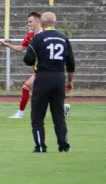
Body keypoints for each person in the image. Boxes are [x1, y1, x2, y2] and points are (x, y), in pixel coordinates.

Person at [0, 11, 70, 119]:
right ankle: (63, 107)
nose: (28, 24)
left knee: (28, 87)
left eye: (30, 21)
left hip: (46, 70)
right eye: (28, 22)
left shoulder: (46, 34)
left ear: (38, 22)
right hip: (39, 71)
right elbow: (20, 48)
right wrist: (7, 45)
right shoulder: (30, 35)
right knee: (45, 94)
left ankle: (20, 113)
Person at [23, 12, 75, 153]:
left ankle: (40, 146)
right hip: (59, 78)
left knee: (37, 116)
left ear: (42, 23)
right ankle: (63, 146)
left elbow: (28, 59)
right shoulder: (64, 39)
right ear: (55, 23)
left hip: (43, 78)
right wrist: (70, 81)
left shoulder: (37, 38)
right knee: (59, 115)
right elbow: (70, 64)